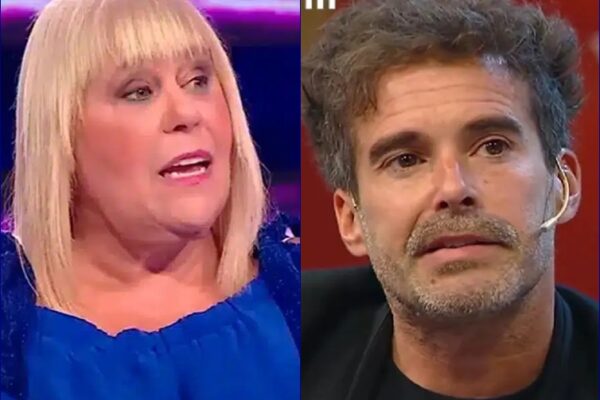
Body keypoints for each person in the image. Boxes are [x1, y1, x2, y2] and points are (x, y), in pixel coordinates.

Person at [0, 0, 300, 399]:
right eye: (139, 91)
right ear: (63, 133)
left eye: (198, 80)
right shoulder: (15, 331)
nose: (187, 112)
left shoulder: (308, 293)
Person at [301, 0, 597, 399]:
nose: (454, 189)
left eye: (493, 146)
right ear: (350, 218)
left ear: (563, 184)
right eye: (406, 160)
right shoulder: (287, 346)